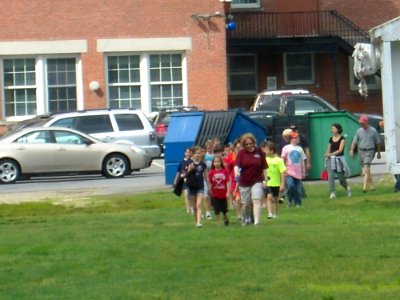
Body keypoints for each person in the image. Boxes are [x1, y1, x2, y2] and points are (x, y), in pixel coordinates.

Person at [234, 133, 267, 225]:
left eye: (250, 143)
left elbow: (264, 167)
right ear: (244, 145)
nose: (249, 145)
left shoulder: (259, 152)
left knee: (256, 199)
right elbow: (236, 165)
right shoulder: (241, 153)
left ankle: (257, 221)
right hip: (244, 181)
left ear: (253, 143)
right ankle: (247, 217)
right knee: (246, 203)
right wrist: (236, 172)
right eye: (247, 144)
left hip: (257, 180)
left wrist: (266, 181)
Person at [350, 115, 382, 192]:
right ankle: (372, 186)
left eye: (363, 123)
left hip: (370, 151)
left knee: (366, 167)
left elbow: (378, 142)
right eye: (361, 123)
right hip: (361, 151)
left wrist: (378, 153)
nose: (362, 124)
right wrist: (351, 150)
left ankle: (364, 187)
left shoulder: (373, 131)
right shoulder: (358, 131)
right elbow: (354, 141)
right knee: (366, 170)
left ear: (366, 122)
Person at [324, 123, 351, 199]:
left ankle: (347, 188)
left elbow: (340, 150)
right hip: (330, 159)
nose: (332, 130)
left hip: (339, 159)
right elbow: (328, 148)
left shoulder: (342, 138)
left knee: (341, 178)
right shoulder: (330, 139)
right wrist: (327, 154)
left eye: (333, 128)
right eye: (332, 128)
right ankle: (332, 192)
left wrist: (332, 154)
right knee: (331, 175)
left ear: (338, 129)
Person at [185, 146, 208, 228]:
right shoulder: (188, 163)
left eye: (199, 153)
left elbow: (206, 176)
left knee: (198, 205)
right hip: (191, 186)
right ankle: (196, 221)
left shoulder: (203, 164)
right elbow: (185, 175)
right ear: (192, 154)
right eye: (196, 153)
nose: (198, 155)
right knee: (194, 206)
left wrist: (209, 186)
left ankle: (199, 222)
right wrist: (189, 169)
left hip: (200, 186)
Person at [261, 141, 286, 219]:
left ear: (272, 151)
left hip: (276, 183)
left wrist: (282, 184)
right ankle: (270, 213)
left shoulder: (279, 160)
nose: (265, 152)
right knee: (269, 197)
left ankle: (275, 213)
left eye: (267, 150)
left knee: (275, 199)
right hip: (268, 183)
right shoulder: (265, 159)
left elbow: (282, 172)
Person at [281, 131, 306, 207]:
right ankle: (289, 199)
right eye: (296, 138)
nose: (298, 139)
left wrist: (303, 171)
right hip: (289, 172)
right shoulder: (286, 148)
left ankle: (298, 202)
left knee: (298, 189)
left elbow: (302, 161)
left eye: (298, 137)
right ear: (292, 139)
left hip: (298, 172)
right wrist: (283, 169)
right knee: (291, 185)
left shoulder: (300, 149)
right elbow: (283, 159)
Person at [208, 155, 230, 226]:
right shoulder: (211, 172)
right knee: (216, 209)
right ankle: (218, 222)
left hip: (223, 193)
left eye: (218, 161)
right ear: (213, 163)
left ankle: (225, 218)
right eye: (215, 162)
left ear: (221, 162)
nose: (216, 163)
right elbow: (210, 182)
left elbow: (228, 182)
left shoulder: (225, 171)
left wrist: (228, 192)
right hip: (215, 194)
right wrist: (210, 190)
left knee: (224, 209)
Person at [173, 148, 193, 213]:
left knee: (191, 195)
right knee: (186, 195)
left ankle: (192, 207)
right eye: (187, 152)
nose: (188, 154)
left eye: (189, 152)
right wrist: (175, 181)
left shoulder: (193, 161)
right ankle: (188, 209)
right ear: (185, 153)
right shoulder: (182, 162)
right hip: (185, 181)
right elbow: (178, 172)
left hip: (192, 181)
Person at [203, 140, 215, 219]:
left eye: (210, 148)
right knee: (206, 195)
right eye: (208, 148)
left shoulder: (215, 156)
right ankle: (207, 212)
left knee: (213, 195)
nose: (209, 149)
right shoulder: (204, 157)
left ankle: (214, 208)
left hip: (214, 177)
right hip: (206, 177)